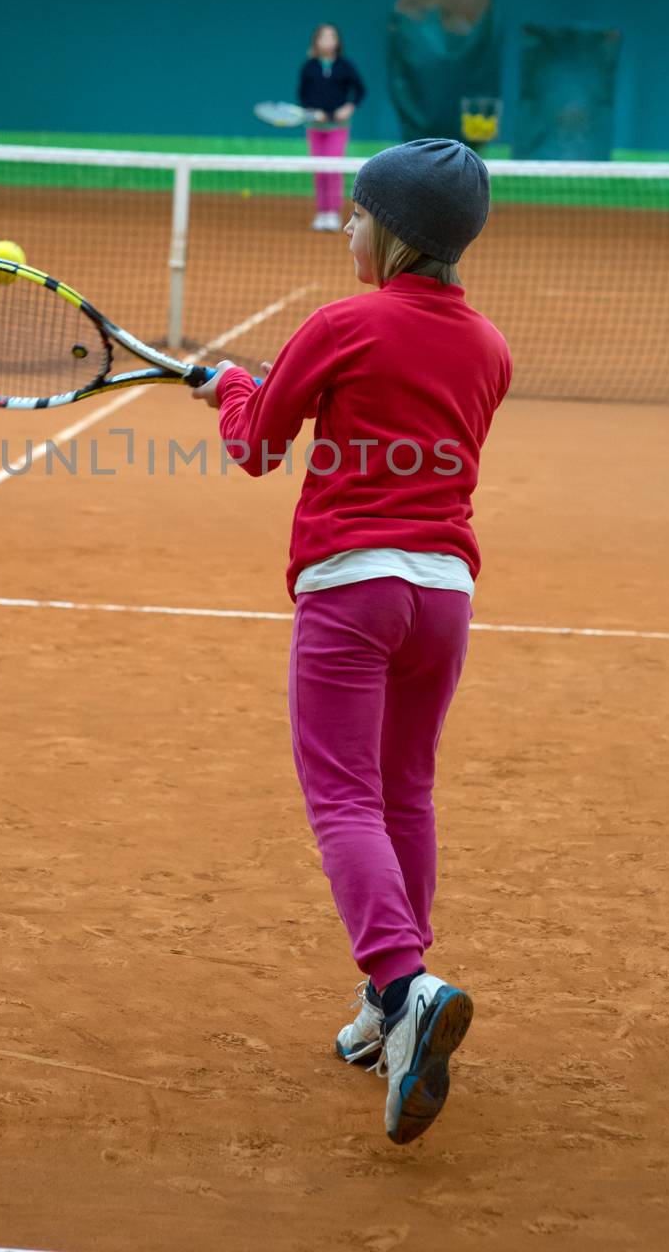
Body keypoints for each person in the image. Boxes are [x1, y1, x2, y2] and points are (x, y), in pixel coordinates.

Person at [193, 139, 511, 1145]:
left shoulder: (345, 322)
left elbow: (256, 447)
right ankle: (387, 1007)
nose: (345, 227)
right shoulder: (492, 348)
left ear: (401, 236)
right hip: (444, 595)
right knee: (403, 789)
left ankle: (406, 985)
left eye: (359, 215)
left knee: (341, 795)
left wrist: (233, 389)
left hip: (352, 589)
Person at [298, 24, 366, 233]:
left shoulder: (345, 66)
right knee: (320, 171)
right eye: (323, 37)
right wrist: (312, 111)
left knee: (333, 169)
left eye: (331, 37)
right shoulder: (309, 67)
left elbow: (360, 90)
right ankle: (322, 213)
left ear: (337, 42)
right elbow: (303, 94)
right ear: (316, 42)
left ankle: (333, 214)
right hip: (315, 127)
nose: (327, 41)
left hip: (338, 127)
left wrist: (348, 107)